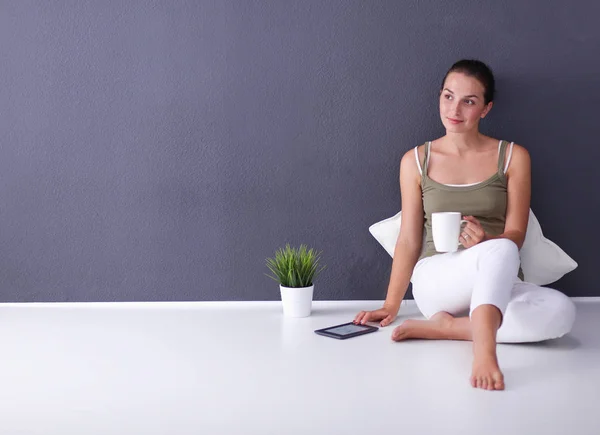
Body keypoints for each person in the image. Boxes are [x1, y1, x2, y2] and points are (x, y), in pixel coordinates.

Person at [353, 59, 576, 391]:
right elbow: (409, 240)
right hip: (437, 279)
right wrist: (391, 304)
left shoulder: (514, 157)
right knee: (498, 250)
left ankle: (447, 329)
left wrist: (487, 242)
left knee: (562, 311)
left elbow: (515, 234)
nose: (454, 109)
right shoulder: (416, 161)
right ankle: (484, 354)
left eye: (469, 101)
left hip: (494, 275)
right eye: (448, 96)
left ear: (486, 108)